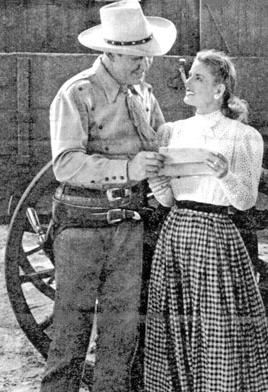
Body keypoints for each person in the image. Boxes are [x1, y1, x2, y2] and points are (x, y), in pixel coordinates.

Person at [39, 1, 176, 391]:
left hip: (128, 228)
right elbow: (65, 165)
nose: (143, 67)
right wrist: (130, 169)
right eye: (134, 59)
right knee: (70, 333)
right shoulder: (76, 93)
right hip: (82, 228)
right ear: (109, 52)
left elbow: (162, 143)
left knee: (120, 336)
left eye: (146, 58)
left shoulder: (145, 94)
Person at [144, 49, 268, 391]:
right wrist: (157, 181)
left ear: (219, 89)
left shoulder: (243, 136)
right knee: (175, 323)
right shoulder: (171, 131)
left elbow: (245, 201)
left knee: (216, 328)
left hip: (216, 237)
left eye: (198, 77)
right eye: (190, 75)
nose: (188, 82)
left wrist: (226, 174)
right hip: (176, 234)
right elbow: (168, 200)